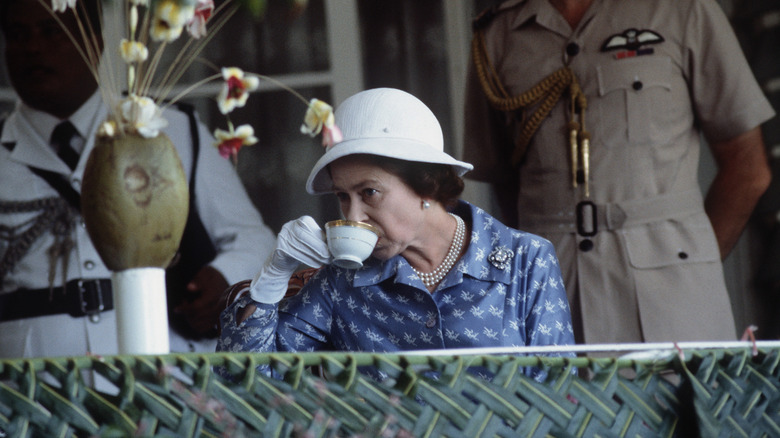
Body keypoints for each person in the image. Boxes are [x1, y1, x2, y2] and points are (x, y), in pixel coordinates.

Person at [463, 0, 775, 344]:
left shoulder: (683, 9)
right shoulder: (498, 33)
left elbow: (748, 169)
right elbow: (505, 182)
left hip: (672, 295)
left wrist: (694, 259)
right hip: (551, 294)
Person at [217, 88, 575, 380]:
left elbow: (559, 398)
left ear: (427, 185)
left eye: (369, 192)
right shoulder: (343, 281)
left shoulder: (526, 261)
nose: (353, 217)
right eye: (343, 196)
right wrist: (274, 274)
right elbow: (245, 382)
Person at [0, 0, 276, 358]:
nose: (33, 48)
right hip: (31, 377)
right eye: (18, 35)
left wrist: (224, 277)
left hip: (161, 365)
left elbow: (255, 239)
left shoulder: (169, 130)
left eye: (51, 32)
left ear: (95, 42)